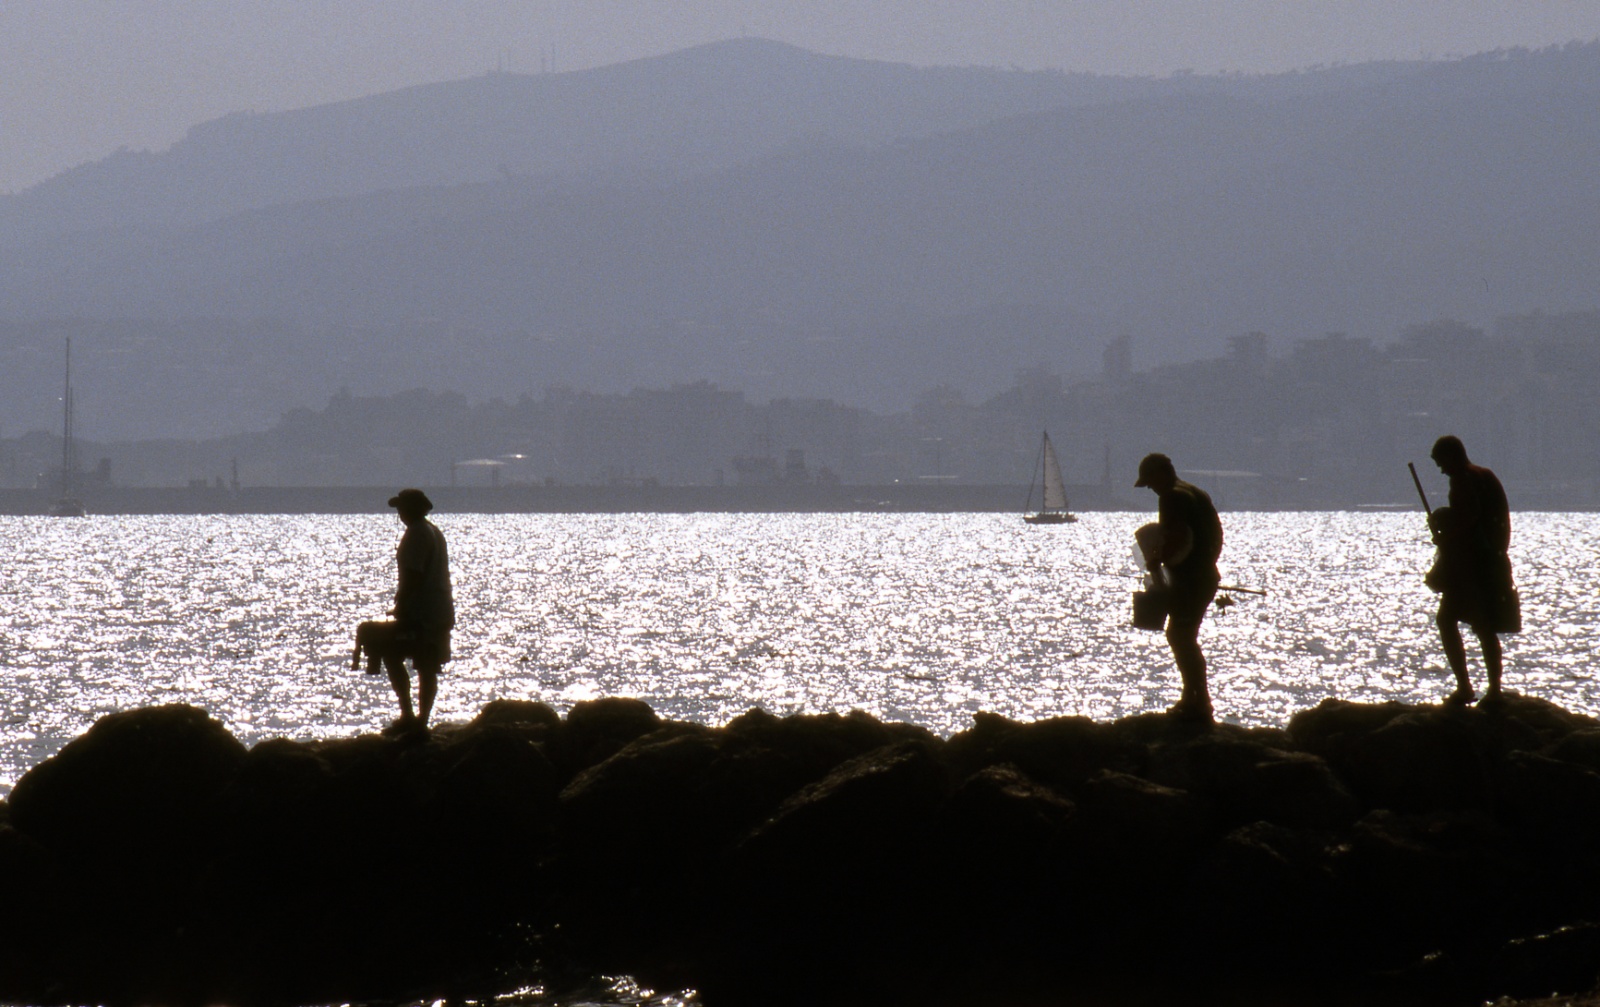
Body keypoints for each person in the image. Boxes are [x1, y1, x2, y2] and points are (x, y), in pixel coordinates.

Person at [1427, 435, 1518, 706]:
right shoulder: (1483, 475)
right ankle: (1491, 690)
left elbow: (1470, 518)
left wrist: (1446, 536)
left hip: (1476, 567)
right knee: (1482, 626)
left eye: (1442, 463)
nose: (1442, 470)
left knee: (1458, 622)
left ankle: (1473, 689)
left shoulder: (1464, 478)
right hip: (1488, 563)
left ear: (1452, 456)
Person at [1135, 453, 1224, 721]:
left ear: (1163, 473)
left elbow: (1175, 536)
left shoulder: (1172, 497)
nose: (1151, 488)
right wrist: (1204, 566)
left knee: (1180, 637)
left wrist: (1155, 560)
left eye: (1150, 481)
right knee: (1183, 637)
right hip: (1205, 576)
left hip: (1190, 582)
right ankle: (1196, 700)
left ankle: (1197, 702)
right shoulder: (1196, 492)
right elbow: (1216, 536)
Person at [382, 487, 455, 730]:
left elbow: (413, 575)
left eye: (401, 509)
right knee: (428, 665)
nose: (399, 514)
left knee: (391, 653)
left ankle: (410, 717)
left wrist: (401, 604)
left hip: (423, 613)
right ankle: (421, 720)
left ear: (409, 510)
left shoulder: (416, 534)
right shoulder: (433, 531)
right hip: (439, 610)